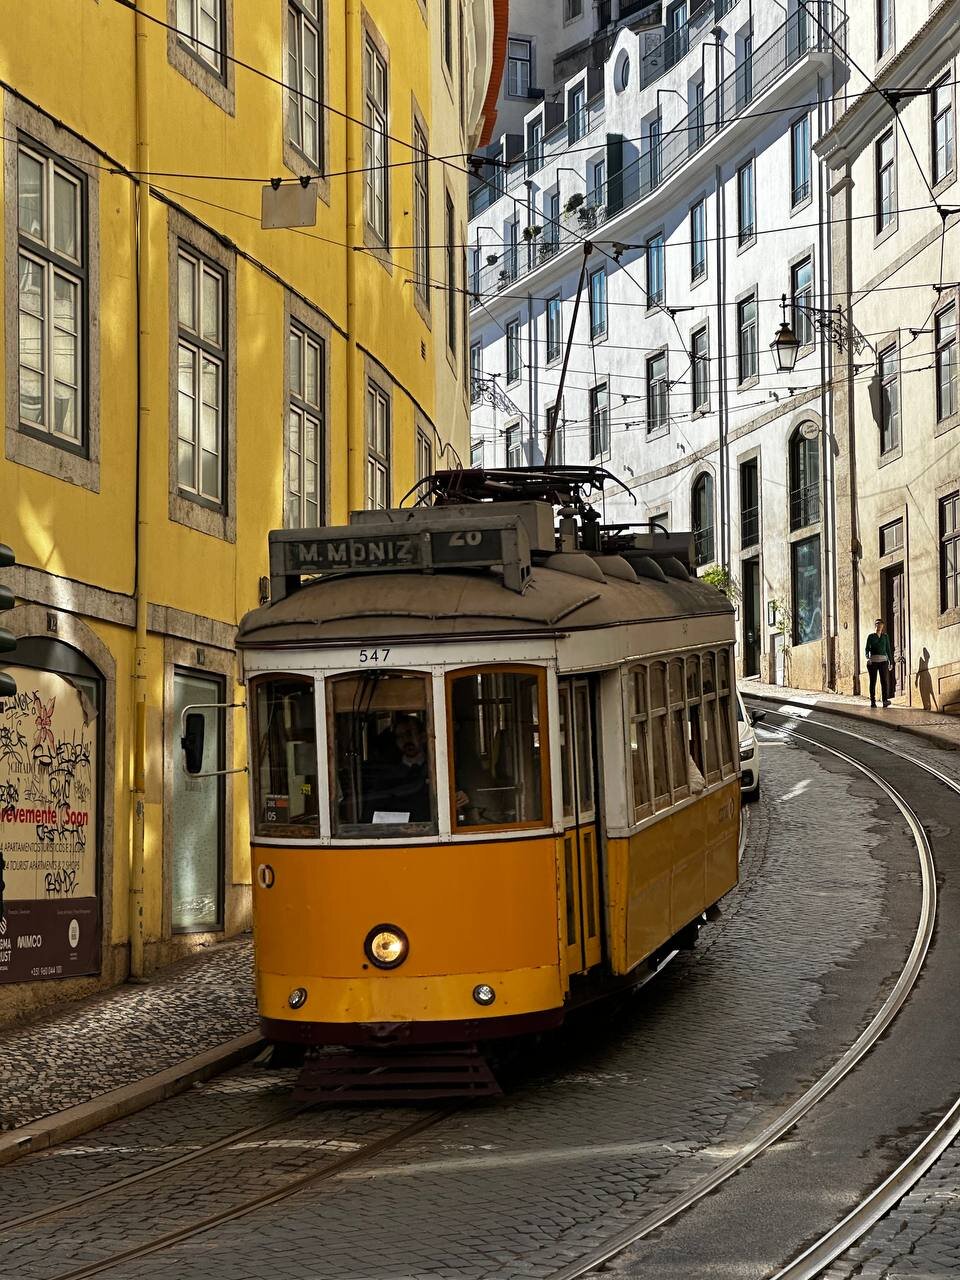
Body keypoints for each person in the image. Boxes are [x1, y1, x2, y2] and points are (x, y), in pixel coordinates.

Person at [865, 619, 893, 709]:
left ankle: (885, 701)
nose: (879, 626)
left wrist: (891, 662)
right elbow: (867, 649)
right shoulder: (871, 636)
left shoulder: (885, 637)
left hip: (883, 661)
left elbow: (888, 649)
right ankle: (873, 701)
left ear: (882, 626)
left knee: (884, 681)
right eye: (877, 625)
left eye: (880, 625)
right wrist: (868, 657)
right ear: (875, 626)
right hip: (873, 661)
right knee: (873, 681)